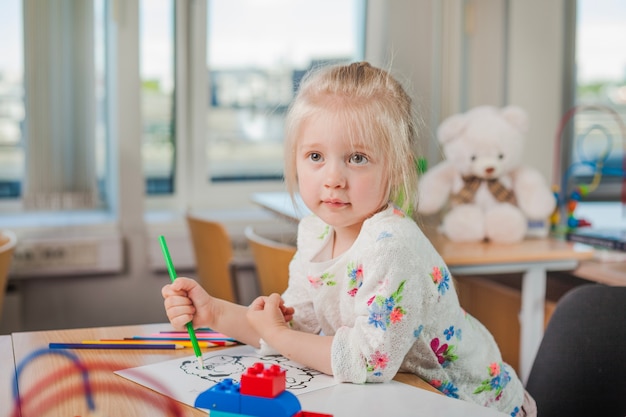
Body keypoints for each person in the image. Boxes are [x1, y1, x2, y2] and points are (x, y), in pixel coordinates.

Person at [162, 62, 536, 416]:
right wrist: (213, 312)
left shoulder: (392, 245)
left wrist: (277, 332)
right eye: (315, 156)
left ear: (397, 167)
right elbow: (295, 331)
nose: (333, 178)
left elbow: (366, 362)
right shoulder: (316, 231)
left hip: (472, 405)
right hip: (402, 398)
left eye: (357, 158)